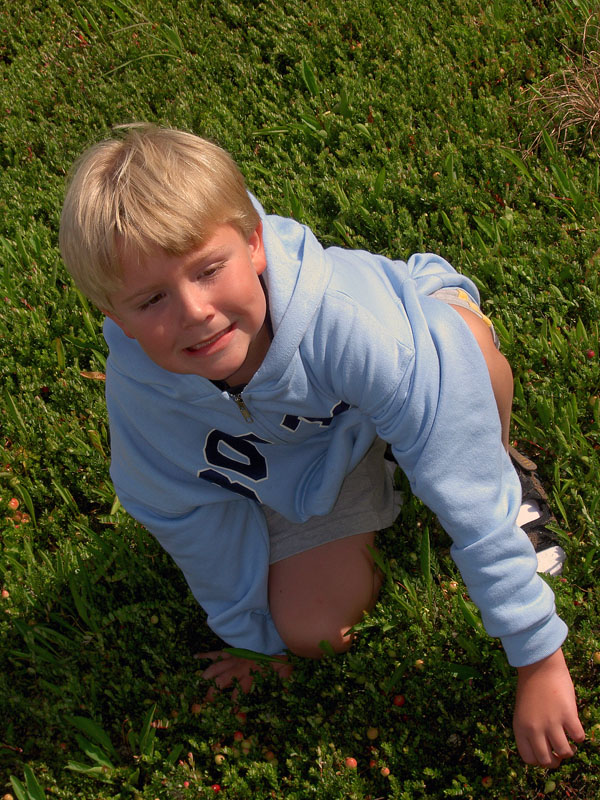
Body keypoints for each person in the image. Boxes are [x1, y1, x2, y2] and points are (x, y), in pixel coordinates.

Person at [59, 124, 585, 767]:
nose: (194, 311)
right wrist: (254, 642)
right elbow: (185, 516)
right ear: (114, 316)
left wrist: (537, 657)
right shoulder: (144, 397)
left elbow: (455, 466)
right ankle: (378, 457)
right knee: (313, 631)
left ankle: (503, 466)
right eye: (152, 299)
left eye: (209, 269)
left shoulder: (350, 323)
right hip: (316, 450)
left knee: (462, 354)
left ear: (254, 242)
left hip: (416, 344)